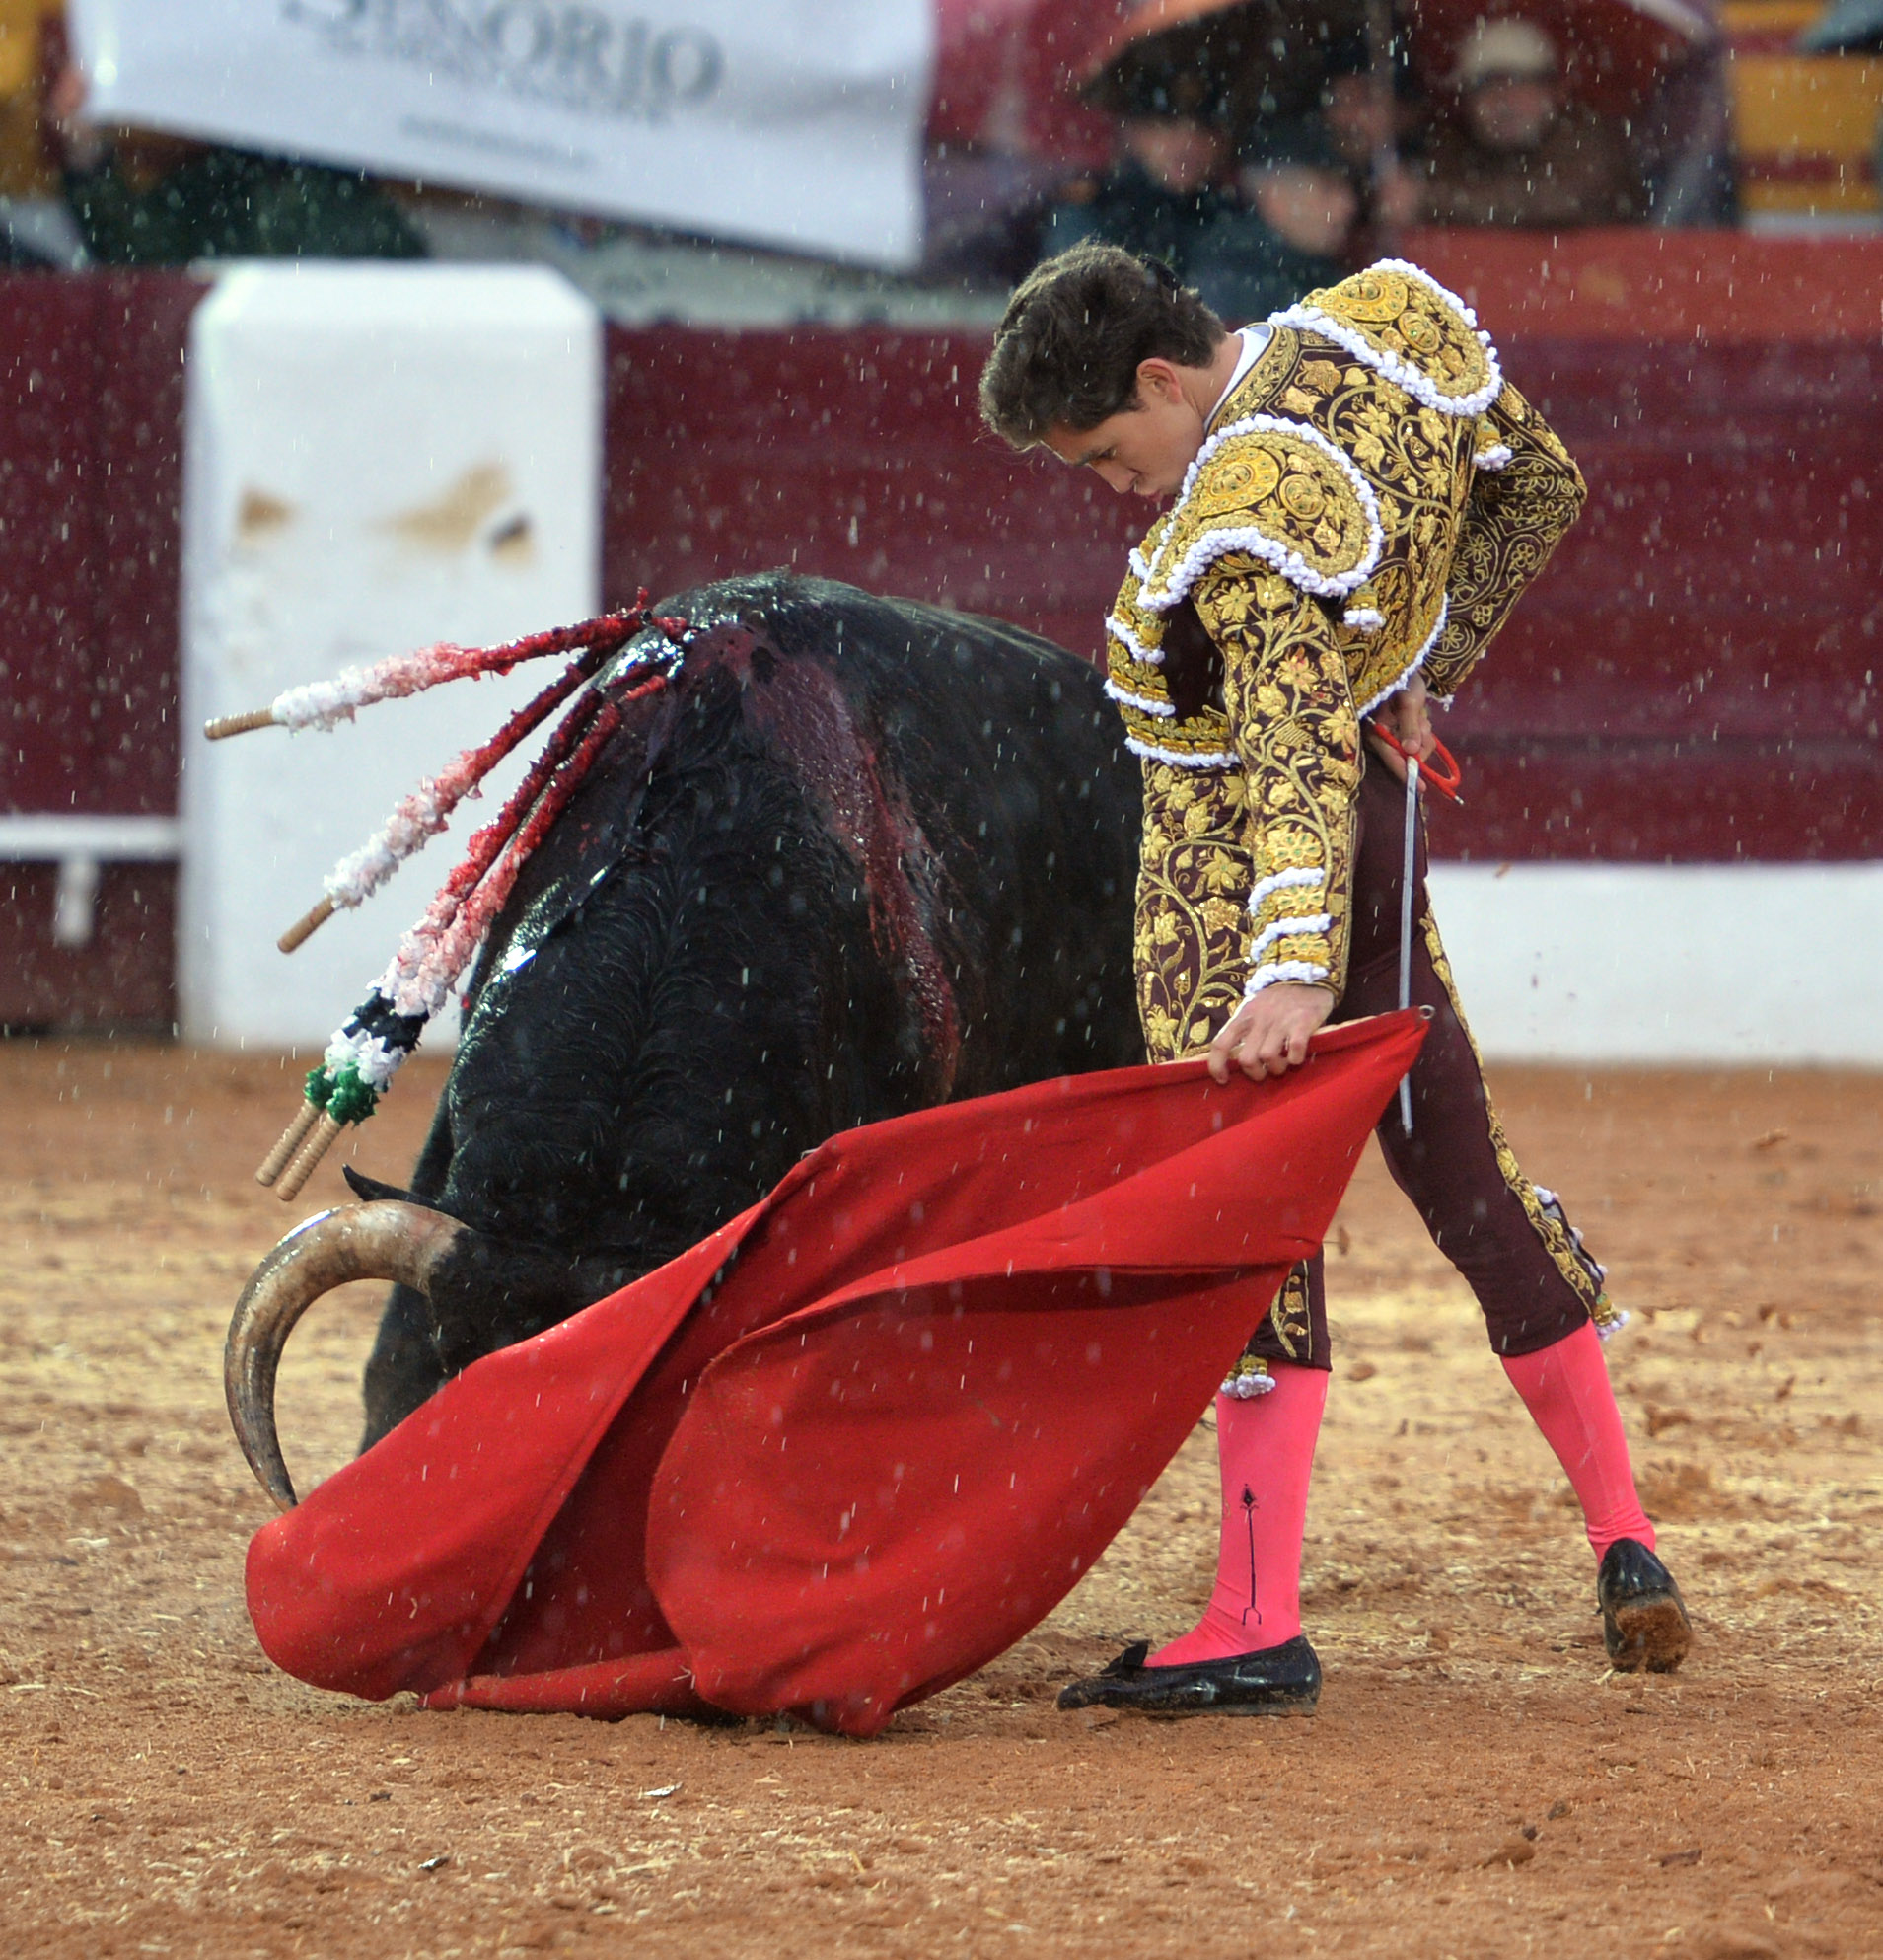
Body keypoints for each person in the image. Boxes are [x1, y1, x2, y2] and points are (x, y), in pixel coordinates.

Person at [978, 244, 1691, 1714]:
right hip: (1385, 825)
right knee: (1462, 1172)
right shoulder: (1380, 324)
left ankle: (1253, 1611)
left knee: (1249, 1211)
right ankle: (1626, 1537)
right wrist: (1430, 658)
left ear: (1164, 381)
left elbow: (1288, 745)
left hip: (1247, 875)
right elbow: (1541, 484)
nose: (1115, 488)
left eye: (1111, 452)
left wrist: (1287, 964)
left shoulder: (1238, 519)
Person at [1418, 17, 1644, 228]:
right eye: (1484, 88)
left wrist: (1428, 199)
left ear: (1555, 92)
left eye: (1517, 84)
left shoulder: (1589, 141)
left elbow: (1555, 200)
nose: (1503, 103)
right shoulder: (1453, 147)